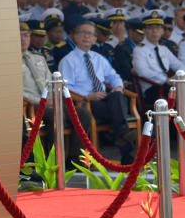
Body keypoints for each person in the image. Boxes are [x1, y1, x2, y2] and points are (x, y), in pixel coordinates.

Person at [58, 20, 136, 164]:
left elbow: (114, 76)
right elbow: (65, 87)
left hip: (105, 99)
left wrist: (118, 86)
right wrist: (88, 96)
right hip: (86, 102)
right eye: (83, 33)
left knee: (118, 95)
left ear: (95, 39)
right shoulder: (68, 61)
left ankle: (121, 134)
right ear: (75, 36)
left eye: (90, 34)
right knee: (118, 111)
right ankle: (124, 141)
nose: (87, 37)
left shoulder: (98, 58)